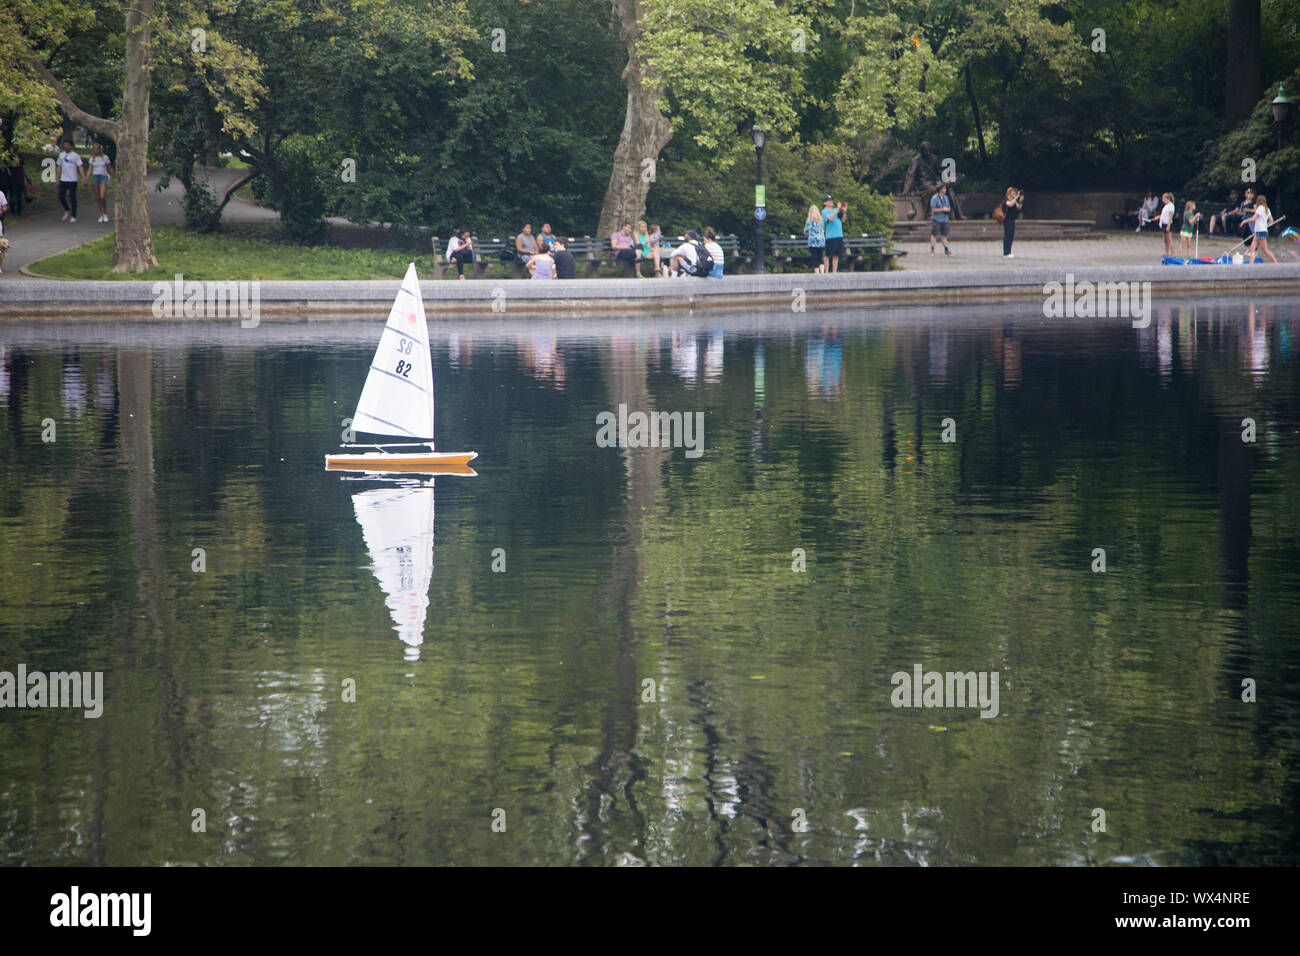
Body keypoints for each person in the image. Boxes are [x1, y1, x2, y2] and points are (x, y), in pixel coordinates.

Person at [56, 140, 84, 222]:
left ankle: (74, 215)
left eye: (67, 145)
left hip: (72, 179)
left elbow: (80, 166)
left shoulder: (75, 156)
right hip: (63, 179)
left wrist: (84, 177)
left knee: (72, 198)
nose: (65, 146)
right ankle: (67, 209)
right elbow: (59, 167)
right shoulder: (61, 155)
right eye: (64, 145)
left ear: (71, 146)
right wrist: (57, 179)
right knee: (61, 195)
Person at [1247, 195, 1278, 263]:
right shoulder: (1267, 209)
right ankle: (1250, 265)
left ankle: (1276, 263)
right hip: (1261, 231)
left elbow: (1253, 218)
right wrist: (1265, 225)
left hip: (1259, 231)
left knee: (1265, 250)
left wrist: (1244, 221)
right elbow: (1271, 220)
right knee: (1252, 248)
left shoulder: (1260, 208)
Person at [88, 143, 112, 222]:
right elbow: (90, 169)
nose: (96, 150)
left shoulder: (105, 158)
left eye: (97, 149)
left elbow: (109, 168)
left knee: (102, 196)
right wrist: (86, 178)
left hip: (103, 176)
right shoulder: (92, 158)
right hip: (95, 177)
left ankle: (105, 213)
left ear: (100, 149)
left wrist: (114, 176)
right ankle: (100, 214)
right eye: (94, 149)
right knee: (97, 197)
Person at [822, 195, 846, 272]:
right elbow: (830, 218)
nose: (831, 202)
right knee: (828, 255)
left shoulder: (836, 210)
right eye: (829, 201)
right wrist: (837, 209)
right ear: (825, 203)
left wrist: (844, 211)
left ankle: (834, 271)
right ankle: (826, 271)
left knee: (836, 255)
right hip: (831, 236)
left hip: (839, 235)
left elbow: (843, 220)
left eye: (831, 200)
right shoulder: (824, 211)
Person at [929, 183, 951, 257]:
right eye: (944, 188)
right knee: (934, 234)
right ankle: (932, 249)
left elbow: (948, 207)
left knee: (944, 235)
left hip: (945, 219)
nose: (945, 190)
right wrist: (942, 209)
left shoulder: (946, 197)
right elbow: (932, 209)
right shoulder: (934, 198)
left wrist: (947, 209)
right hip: (937, 219)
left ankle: (946, 249)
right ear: (941, 190)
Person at [1000, 187, 1023, 257]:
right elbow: (1010, 204)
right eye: (1012, 193)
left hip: (1012, 219)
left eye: (1014, 193)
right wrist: (1016, 198)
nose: (1014, 194)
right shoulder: (1006, 200)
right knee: (1007, 235)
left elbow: (1019, 207)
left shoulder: (1014, 201)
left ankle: (1009, 251)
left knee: (1011, 236)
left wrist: (1020, 201)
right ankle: (1006, 252)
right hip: (1007, 220)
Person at [804, 203, 826, 273]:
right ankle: (822, 272)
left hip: (813, 241)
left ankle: (817, 272)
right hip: (821, 240)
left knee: (815, 257)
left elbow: (806, 231)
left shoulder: (809, 221)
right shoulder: (821, 221)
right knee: (820, 256)